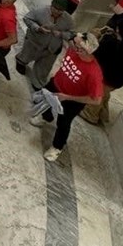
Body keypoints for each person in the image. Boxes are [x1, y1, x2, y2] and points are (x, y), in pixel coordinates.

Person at [31, 33, 104, 162]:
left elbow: (96, 100)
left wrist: (67, 97)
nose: (71, 43)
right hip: (56, 84)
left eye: (75, 43)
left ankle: (57, 147)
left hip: (72, 100)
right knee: (44, 99)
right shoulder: (72, 49)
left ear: (84, 50)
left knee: (63, 123)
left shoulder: (94, 73)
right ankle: (46, 117)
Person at [16, 0, 75, 89]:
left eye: (60, 10)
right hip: (35, 41)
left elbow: (71, 33)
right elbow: (27, 18)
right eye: (55, 8)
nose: (56, 11)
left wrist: (61, 34)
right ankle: (21, 62)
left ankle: (37, 82)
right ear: (51, 5)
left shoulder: (68, 20)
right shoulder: (40, 11)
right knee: (27, 55)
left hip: (52, 47)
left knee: (44, 67)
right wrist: (38, 28)